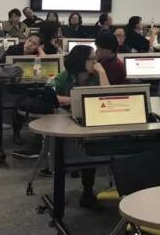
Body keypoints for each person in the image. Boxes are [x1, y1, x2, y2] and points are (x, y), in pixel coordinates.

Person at [52, 45, 109, 209]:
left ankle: (88, 191)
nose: (95, 62)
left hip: (91, 122)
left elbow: (108, 95)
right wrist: (74, 100)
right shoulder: (66, 76)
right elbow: (50, 93)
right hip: (65, 121)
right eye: (92, 59)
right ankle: (60, 194)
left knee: (89, 151)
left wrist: (102, 72)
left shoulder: (96, 76)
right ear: (81, 60)